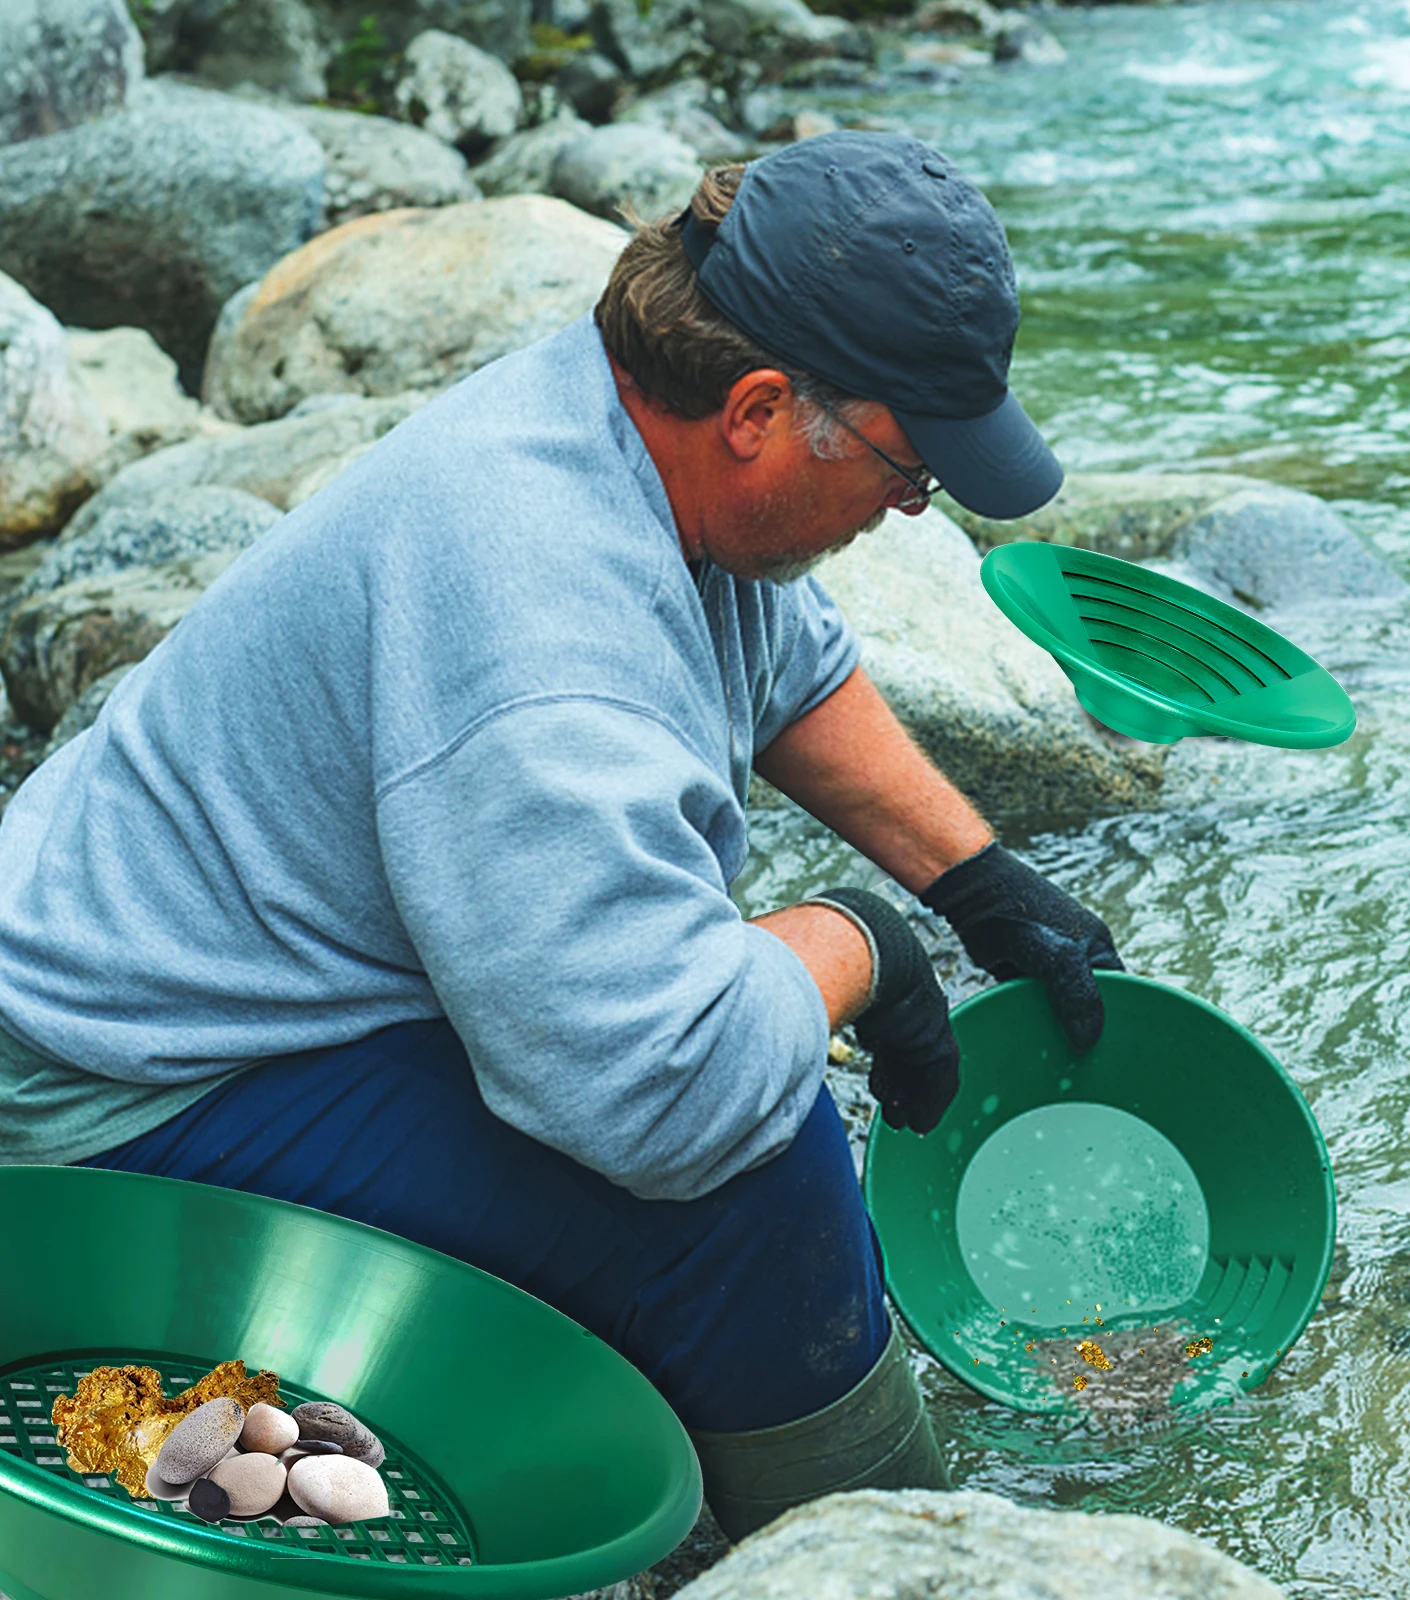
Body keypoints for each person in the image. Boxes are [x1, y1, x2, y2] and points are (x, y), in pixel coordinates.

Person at [0, 132, 1123, 1538]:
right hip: (119, 1102)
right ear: (762, 408)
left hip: (211, 967)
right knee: (759, 1171)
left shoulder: (630, 421)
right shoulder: (541, 628)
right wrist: (859, 946)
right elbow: (658, 1099)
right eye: (909, 469)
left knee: (748, 1034)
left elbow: (783, 658)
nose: (913, 505)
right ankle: (891, 1546)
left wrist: (974, 877)